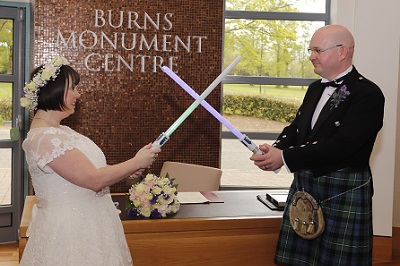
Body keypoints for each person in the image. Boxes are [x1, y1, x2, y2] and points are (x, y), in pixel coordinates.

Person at [250, 25, 385, 265]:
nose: (311, 56)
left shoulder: (367, 94)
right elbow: (297, 129)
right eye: (311, 50)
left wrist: (286, 157)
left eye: (317, 50)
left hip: (342, 190)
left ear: (342, 52)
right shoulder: (315, 88)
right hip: (306, 186)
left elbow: (342, 145)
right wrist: (276, 149)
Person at [19, 56, 161, 266]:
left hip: (92, 224)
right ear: (55, 90)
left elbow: (93, 172)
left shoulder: (61, 131)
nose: (78, 94)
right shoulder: (44, 138)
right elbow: (93, 180)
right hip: (70, 232)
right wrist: (136, 162)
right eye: (73, 88)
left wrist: (126, 171)